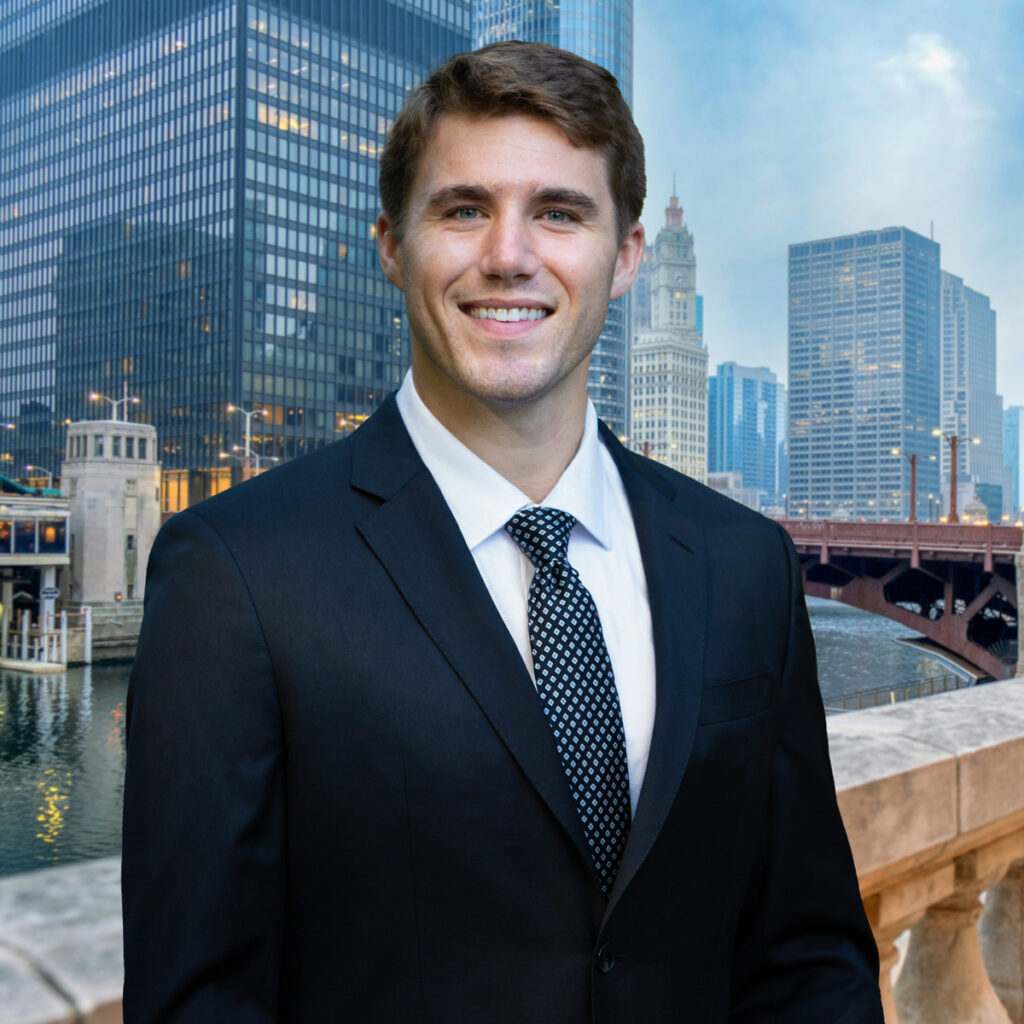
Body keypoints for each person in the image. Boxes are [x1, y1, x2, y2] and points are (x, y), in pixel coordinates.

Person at [122, 40, 883, 1022]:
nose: (509, 255)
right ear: (392, 246)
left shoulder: (744, 564)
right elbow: (199, 1001)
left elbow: (807, 950)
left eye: (559, 213)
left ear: (626, 258)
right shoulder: (235, 574)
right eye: (463, 208)